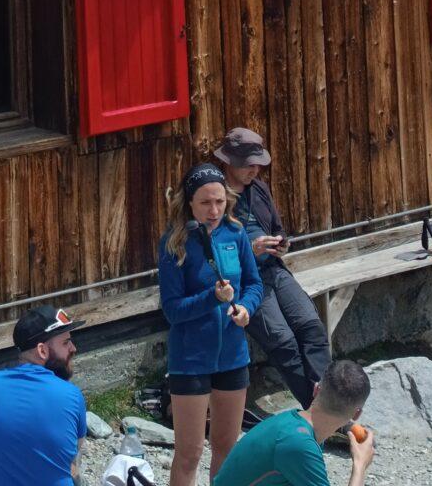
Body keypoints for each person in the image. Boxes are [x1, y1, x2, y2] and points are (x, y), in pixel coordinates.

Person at [157, 164, 262, 486]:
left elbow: (255, 284)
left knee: (227, 450)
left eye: (219, 201)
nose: (214, 210)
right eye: (205, 203)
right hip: (190, 362)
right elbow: (172, 311)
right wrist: (211, 299)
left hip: (232, 356)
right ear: (189, 202)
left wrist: (245, 308)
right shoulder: (174, 243)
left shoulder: (236, 233)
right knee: (189, 454)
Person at [217, 127, 331, 408]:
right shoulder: (214, 195)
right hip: (244, 280)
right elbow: (212, 246)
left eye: (257, 163)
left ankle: (330, 403)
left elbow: (278, 228)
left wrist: (281, 244)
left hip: (273, 269)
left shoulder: (259, 188)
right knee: (284, 343)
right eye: (248, 164)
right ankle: (318, 412)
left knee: (312, 328)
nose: (254, 169)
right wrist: (249, 248)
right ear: (229, 161)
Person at [210, 359, 377, 486]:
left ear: (316, 389)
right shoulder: (299, 445)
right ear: (357, 414)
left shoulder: (292, 424)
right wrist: (360, 464)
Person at [0, 306, 86, 486]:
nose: (74, 348)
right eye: (65, 343)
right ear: (42, 351)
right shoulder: (71, 395)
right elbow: (73, 458)